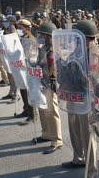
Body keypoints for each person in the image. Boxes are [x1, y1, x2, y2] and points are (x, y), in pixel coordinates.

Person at [61, 20, 99, 178]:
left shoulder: (93, 53)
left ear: (84, 36)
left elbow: (90, 79)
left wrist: (76, 75)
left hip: (85, 98)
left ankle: (91, 170)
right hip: (72, 95)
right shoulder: (78, 49)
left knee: (87, 133)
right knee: (75, 129)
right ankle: (78, 158)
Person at [34, 22, 63, 154]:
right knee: (42, 109)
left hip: (50, 83)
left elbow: (53, 69)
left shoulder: (54, 50)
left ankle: (56, 140)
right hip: (41, 81)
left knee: (52, 111)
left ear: (49, 36)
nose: (39, 36)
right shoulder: (43, 47)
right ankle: (46, 134)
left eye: (42, 34)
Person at [15, 19, 35, 124]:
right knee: (23, 89)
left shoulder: (30, 39)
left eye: (20, 28)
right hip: (22, 68)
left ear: (27, 29)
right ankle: (26, 109)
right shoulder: (22, 38)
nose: (18, 30)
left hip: (28, 68)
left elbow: (31, 56)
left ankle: (32, 115)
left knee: (29, 91)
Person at [1, 15, 19, 103]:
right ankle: (11, 92)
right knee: (9, 74)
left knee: (14, 76)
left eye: (7, 21)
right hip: (7, 56)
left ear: (11, 22)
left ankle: (16, 94)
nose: (5, 22)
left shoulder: (13, 31)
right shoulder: (7, 30)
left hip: (13, 56)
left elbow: (15, 44)